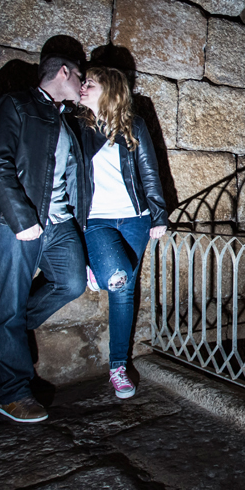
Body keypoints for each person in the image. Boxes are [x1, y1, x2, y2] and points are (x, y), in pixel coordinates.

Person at [0, 53, 89, 423]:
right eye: (80, 76)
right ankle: (13, 392)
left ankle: (12, 329)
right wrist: (21, 218)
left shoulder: (66, 119)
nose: (82, 84)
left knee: (72, 282)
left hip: (59, 223)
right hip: (14, 221)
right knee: (10, 303)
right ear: (63, 72)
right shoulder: (15, 104)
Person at [77, 66, 168, 399]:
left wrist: (158, 215)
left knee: (123, 290)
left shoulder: (135, 126)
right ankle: (97, 270)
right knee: (116, 278)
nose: (82, 87)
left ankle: (118, 366)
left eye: (90, 83)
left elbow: (150, 172)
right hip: (97, 220)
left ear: (110, 89)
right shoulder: (77, 127)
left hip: (135, 219)